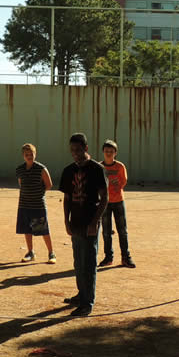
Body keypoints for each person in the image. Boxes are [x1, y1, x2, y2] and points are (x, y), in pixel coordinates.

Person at [59, 132, 109, 317]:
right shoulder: (68, 170)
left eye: (78, 150)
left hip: (90, 223)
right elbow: (67, 198)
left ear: (86, 148)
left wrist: (95, 222)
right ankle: (81, 294)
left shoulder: (96, 169)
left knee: (88, 263)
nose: (75, 154)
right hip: (76, 222)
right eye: (72, 150)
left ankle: (87, 303)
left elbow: (105, 197)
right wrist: (66, 221)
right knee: (78, 262)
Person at [15, 143, 56, 263]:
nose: (29, 156)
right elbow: (21, 184)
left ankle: (51, 253)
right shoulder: (20, 169)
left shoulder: (41, 169)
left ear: (35, 154)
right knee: (26, 229)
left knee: (43, 229)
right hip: (24, 205)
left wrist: (38, 193)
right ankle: (30, 252)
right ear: (23, 156)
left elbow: (49, 185)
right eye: (26, 154)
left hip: (38, 205)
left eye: (31, 154)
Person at [99, 139, 135, 268]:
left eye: (111, 151)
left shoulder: (120, 167)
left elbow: (123, 182)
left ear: (115, 153)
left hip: (118, 201)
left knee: (122, 230)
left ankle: (126, 257)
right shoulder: (99, 167)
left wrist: (115, 185)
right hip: (105, 203)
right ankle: (108, 257)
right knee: (106, 231)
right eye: (106, 151)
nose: (109, 153)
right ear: (103, 152)